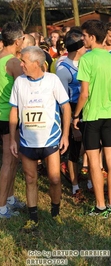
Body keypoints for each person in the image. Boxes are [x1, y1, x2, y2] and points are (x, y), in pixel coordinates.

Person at [9, 46, 71, 231]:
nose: (21, 65)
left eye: (24, 62)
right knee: (30, 178)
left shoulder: (52, 80)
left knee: (54, 179)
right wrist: (13, 138)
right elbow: (14, 111)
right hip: (27, 140)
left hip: (50, 139)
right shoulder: (19, 82)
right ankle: (33, 217)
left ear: (37, 63)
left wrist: (65, 135)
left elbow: (65, 107)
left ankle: (55, 212)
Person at [73, 20, 111, 217]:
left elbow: (84, 94)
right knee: (110, 161)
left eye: (85, 35)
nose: (83, 39)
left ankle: (100, 206)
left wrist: (76, 115)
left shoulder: (87, 59)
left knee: (94, 162)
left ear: (93, 38)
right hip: (110, 115)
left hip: (92, 116)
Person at [0, 22, 26, 218]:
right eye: (23, 38)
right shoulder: (12, 62)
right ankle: (1, 207)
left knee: (12, 161)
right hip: (9, 116)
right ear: (18, 40)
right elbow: (26, 87)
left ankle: (10, 199)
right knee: (8, 162)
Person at [55, 28, 87, 203]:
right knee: (74, 151)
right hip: (72, 109)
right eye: (83, 44)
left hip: (86, 108)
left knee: (89, 146)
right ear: (78, 47)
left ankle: (88, 180)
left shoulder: (85, 62)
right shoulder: (63, 69)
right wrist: (70, 126)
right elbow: (62, 102)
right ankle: (75, 187)